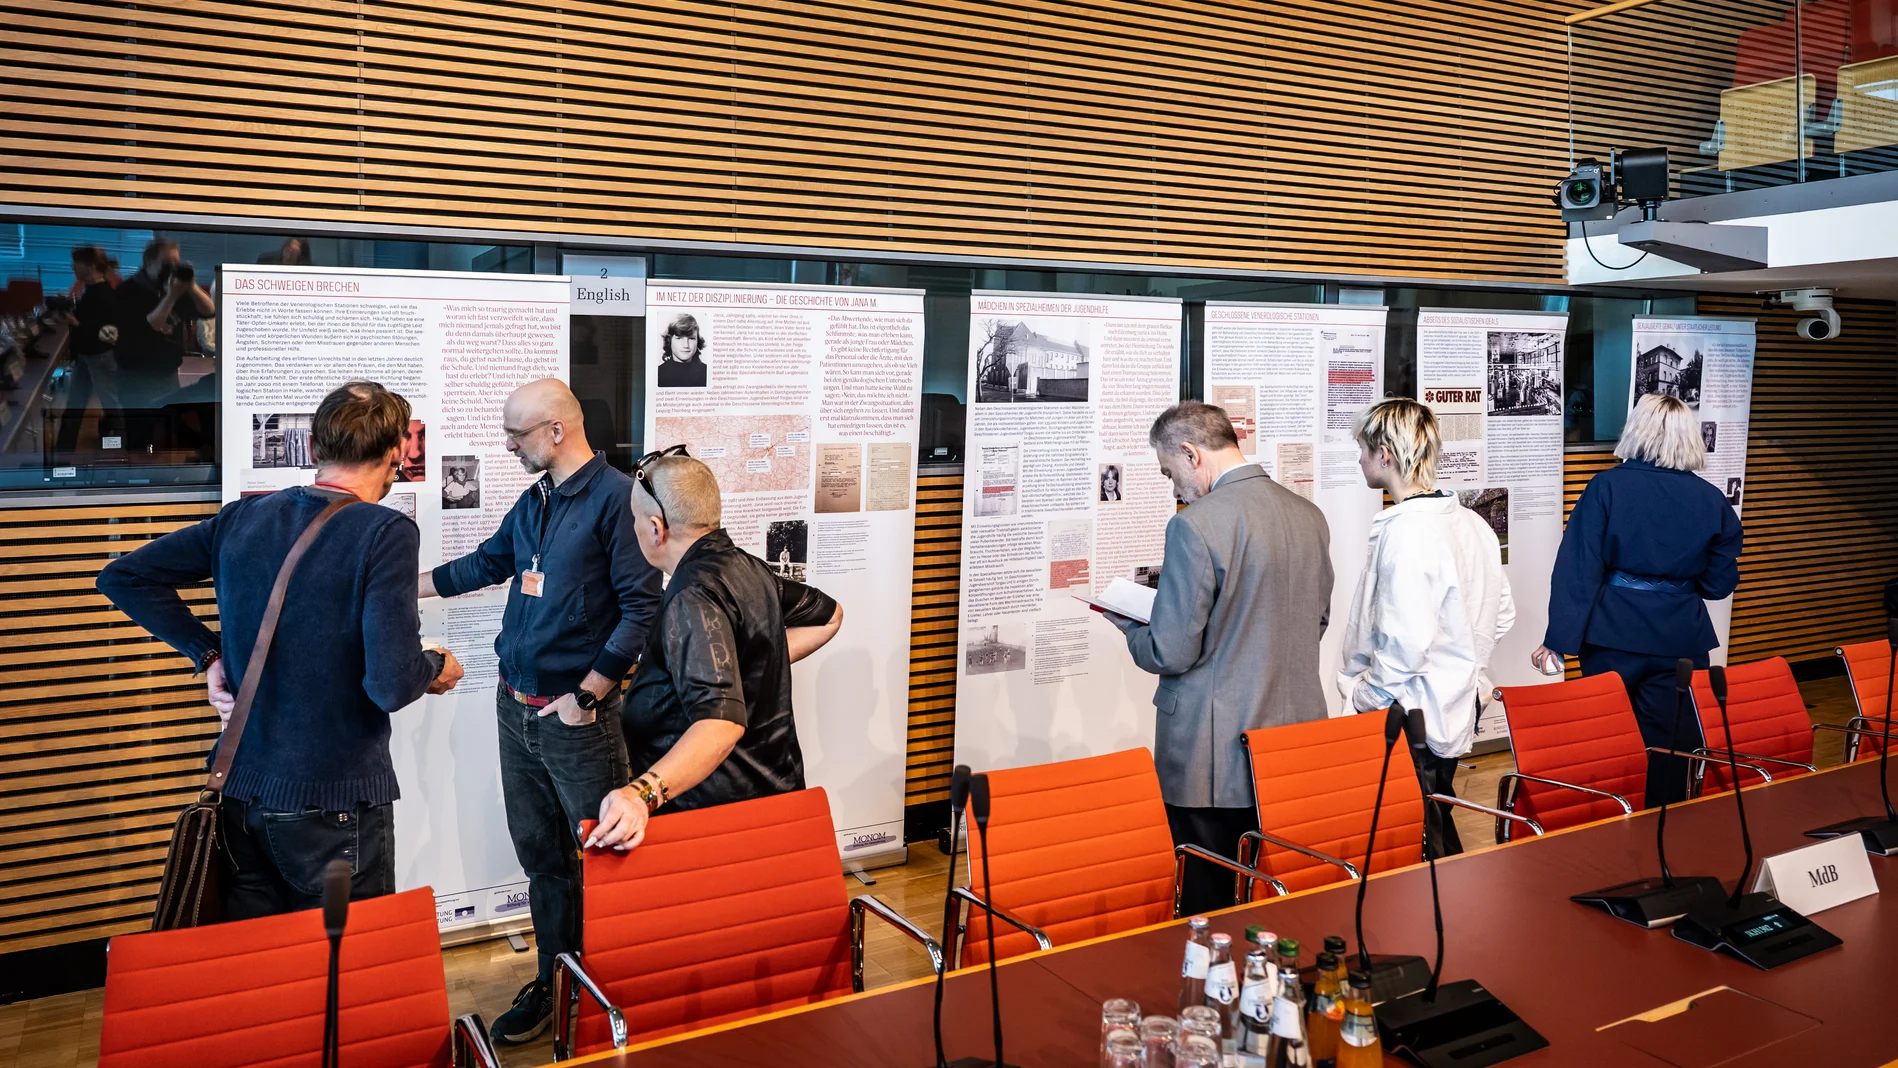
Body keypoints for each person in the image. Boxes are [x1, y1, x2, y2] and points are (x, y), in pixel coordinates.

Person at [96, 382, 463, 919]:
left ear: (315, 449)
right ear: (393, 456)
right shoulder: (384, 531)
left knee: (267, 973)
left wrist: (208, 654)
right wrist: (434, 665)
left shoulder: (244, 518)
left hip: (242, 795)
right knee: (344, 975)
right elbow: (390, 684)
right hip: (332, 805)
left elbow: (123, 576)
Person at [418, 379, 664, 1045]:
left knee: (602, 859)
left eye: (516, 433)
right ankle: (560, 980)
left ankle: (610, 992)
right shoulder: (536, 502)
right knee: (543, 859)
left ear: (557, 431)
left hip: (576, 720)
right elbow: (487, 564)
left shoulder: (618, 502)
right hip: (515, 709)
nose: (507, 444)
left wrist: (588, 695)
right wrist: (398, 588)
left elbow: (643, 610)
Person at [1101, 402, 1334, 914]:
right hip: (1292, 741)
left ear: (1191, 453)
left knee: (1206, 898)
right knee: (1279, 889)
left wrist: (1131, 629)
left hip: (1210, 756)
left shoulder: (1195, 526)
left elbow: (1171, 649)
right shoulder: (1308, 515)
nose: (1175, 487)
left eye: (1170, 472)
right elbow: (1316, 621)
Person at [589, 451, 843, 850]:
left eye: (635, 521)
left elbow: (720, 723)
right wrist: (742, 666)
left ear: (656, 529)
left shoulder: (693, 595)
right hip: (775, 805)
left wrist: (642, 794)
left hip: (717, 826)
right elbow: (829, 616)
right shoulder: (748, 568)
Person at [1533, 392, 1742, 807]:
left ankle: (1609, 823)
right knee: (1674, 747)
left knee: (1609, 740)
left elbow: (1579, 569)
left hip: (1613, 634)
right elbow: (1719, 584)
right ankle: (1664, 829)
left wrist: (1558, 640)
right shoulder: (1712, 499)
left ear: (1636, 431)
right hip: (1681, 639)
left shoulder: (1607, 486)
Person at [1337, 399, 1513, 858]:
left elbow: (1406, 644)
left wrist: (1365, 697)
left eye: (1362, 448)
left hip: (1411, 713)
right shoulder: (1473, 523)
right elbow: (1503, 613)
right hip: (1457, 705)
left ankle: (1445, 921)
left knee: (1416, 833)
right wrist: (1465, 664)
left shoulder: (1409, 532)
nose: (1359, 458)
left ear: (1385, 455)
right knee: (1434, 815)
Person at [113, 238, 215, 416]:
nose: (172, 269)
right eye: (167, 264)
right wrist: (171, 296)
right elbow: (151, 325)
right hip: (135, 378)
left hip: (168, 375)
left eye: (176, 264)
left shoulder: (174, 287)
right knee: (140, 431)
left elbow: (209, 311)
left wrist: (191, 286)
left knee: (166, 430)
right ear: (149, 262)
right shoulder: (128, 291)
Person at [55, 246, 123, 454]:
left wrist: (73, 321)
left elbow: (105, 333)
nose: (73, 267)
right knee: (77, 406)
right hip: (87, 357)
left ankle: (123, 452)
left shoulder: (103, 294)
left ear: (91, 266)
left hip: (99, 358)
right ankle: (62, 453)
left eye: (77, 263)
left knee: (112, 408)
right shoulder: (92, 290)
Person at [656, 313, 708, 387]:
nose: (686, 345)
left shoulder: (707, 372)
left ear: (698, 341)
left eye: (691, 338)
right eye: (679, 338)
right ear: (669, 341)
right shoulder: (658, 373)